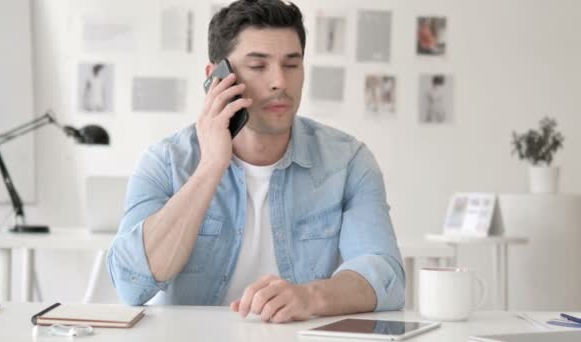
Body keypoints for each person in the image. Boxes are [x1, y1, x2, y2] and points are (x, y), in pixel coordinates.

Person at [107, 0, 405, 324]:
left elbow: (385, 274)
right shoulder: (165, 163)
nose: (279, 81)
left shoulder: (348, 162)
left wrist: (310, 296)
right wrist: (210, 167)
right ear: (217, 77)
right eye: (258, 66)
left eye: (291, 64)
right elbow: (130, 283)